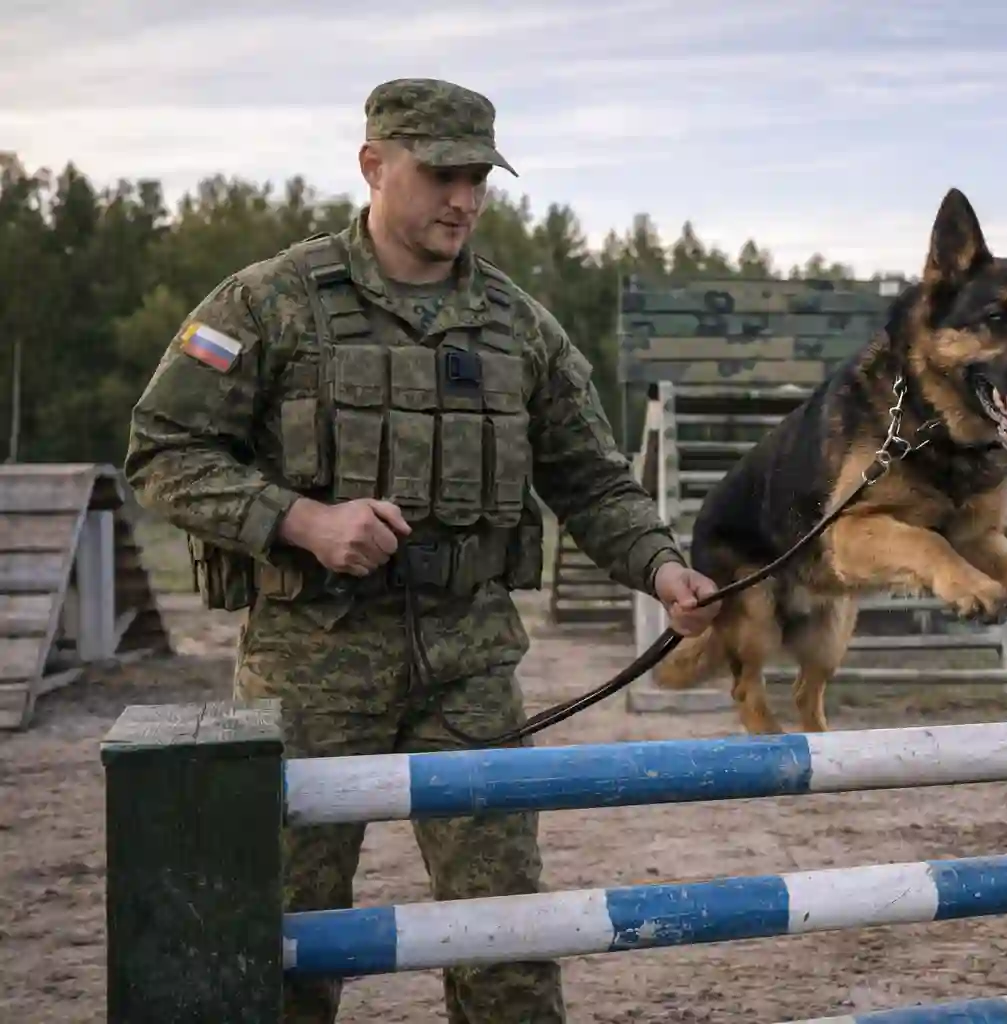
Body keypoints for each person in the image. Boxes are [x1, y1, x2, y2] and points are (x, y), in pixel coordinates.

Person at [123, 77, 720, 1024]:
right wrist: (300, 520)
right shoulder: (269, 302)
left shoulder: (518, 325)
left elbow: (592, 479)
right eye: (442, 174)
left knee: (506, 935)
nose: (464, 199)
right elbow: (161, 451)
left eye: (479, 177)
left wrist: (661, 564)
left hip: (470, 659)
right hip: (310, 661)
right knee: (284, 930)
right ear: (373, 165)